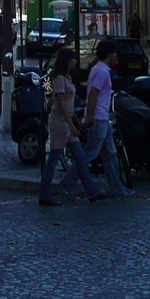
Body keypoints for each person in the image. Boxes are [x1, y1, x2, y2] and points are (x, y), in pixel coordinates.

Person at [60, 40, 133, 199]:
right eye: (114, 52)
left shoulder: (99, 69)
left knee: (110, 154)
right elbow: (93, 95)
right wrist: (90, 118)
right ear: (108, 53)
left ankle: (117, 188)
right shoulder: (102, 72)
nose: (116, 55)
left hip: (102, 118)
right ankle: (67, 182)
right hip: (99, 118)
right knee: (90, 154)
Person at [39, 48, 101, 206]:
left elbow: (67, 103)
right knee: (54, 158)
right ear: (67, 60)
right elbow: (60, 103)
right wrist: (71, 124)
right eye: (73, 59)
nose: (75, 62)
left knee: (80, 158)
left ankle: (92, 191)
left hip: (66, 121)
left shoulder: (67, 77)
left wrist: (76, 121)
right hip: (60, 123)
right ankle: (44, 193)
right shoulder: (60, 79)